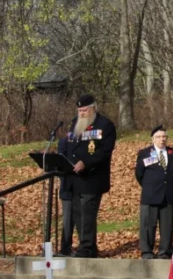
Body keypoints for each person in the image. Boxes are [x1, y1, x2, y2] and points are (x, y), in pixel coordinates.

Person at [62, 94, 117, 258]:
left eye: (84, 110)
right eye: (79, 110)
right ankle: (88, 246)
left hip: (92, 178)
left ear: (93, 108)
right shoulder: (75, 124)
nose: (82, 114)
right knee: (78, 213)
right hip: (74, 178)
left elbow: (104, 152)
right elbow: (71, 146)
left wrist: (86, 162)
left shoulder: (105, 125)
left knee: (87, 213)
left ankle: (86, 248)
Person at [135, 126, 173, 259]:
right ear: (153, 139)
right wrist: (150, 186)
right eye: (159, 137)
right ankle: (147, 251)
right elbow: (139, 174)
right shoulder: (144, 153)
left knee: (167, 226)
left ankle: (164, 251)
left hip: (168, 195)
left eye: (164, 137)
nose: (162, 139)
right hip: (150, 194)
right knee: (148, 224)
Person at [56, 135, 75, 257]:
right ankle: (65, 247)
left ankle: (87, 247)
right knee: (68, 219)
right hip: (68, 185)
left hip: (84, 185)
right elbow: (59, 163)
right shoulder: (64, 141)